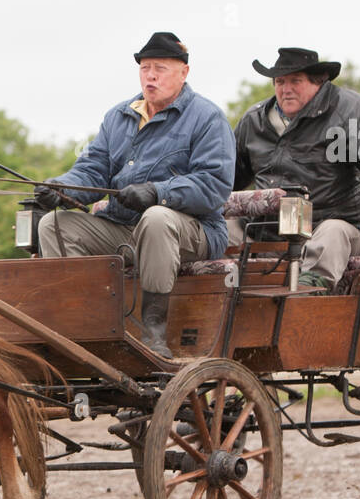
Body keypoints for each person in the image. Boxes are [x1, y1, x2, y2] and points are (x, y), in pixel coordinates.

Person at [35, 31, 234, 357]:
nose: (151, 76)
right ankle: (82, 326)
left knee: (156, 218)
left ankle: (153, 333)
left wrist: (157, 193)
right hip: (124, 227)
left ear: (183, 73)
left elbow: (213, 185)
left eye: (160, 68)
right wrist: (60, 188)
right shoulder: (118, 116)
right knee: (55, 224)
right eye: (145, 68)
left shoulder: (207, 118)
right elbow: (92, 170)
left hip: (192, 232)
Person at [231, 47, 360, 290]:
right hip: (266, 234)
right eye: (280, 81)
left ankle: (306, 297)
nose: (286, 89)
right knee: (220, 228)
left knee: (332, 232)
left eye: (296, 81)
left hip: (334, 231)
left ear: (319, 82)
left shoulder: (349, 110)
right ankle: (215, 297)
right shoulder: (254, 120)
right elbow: (226, 178)